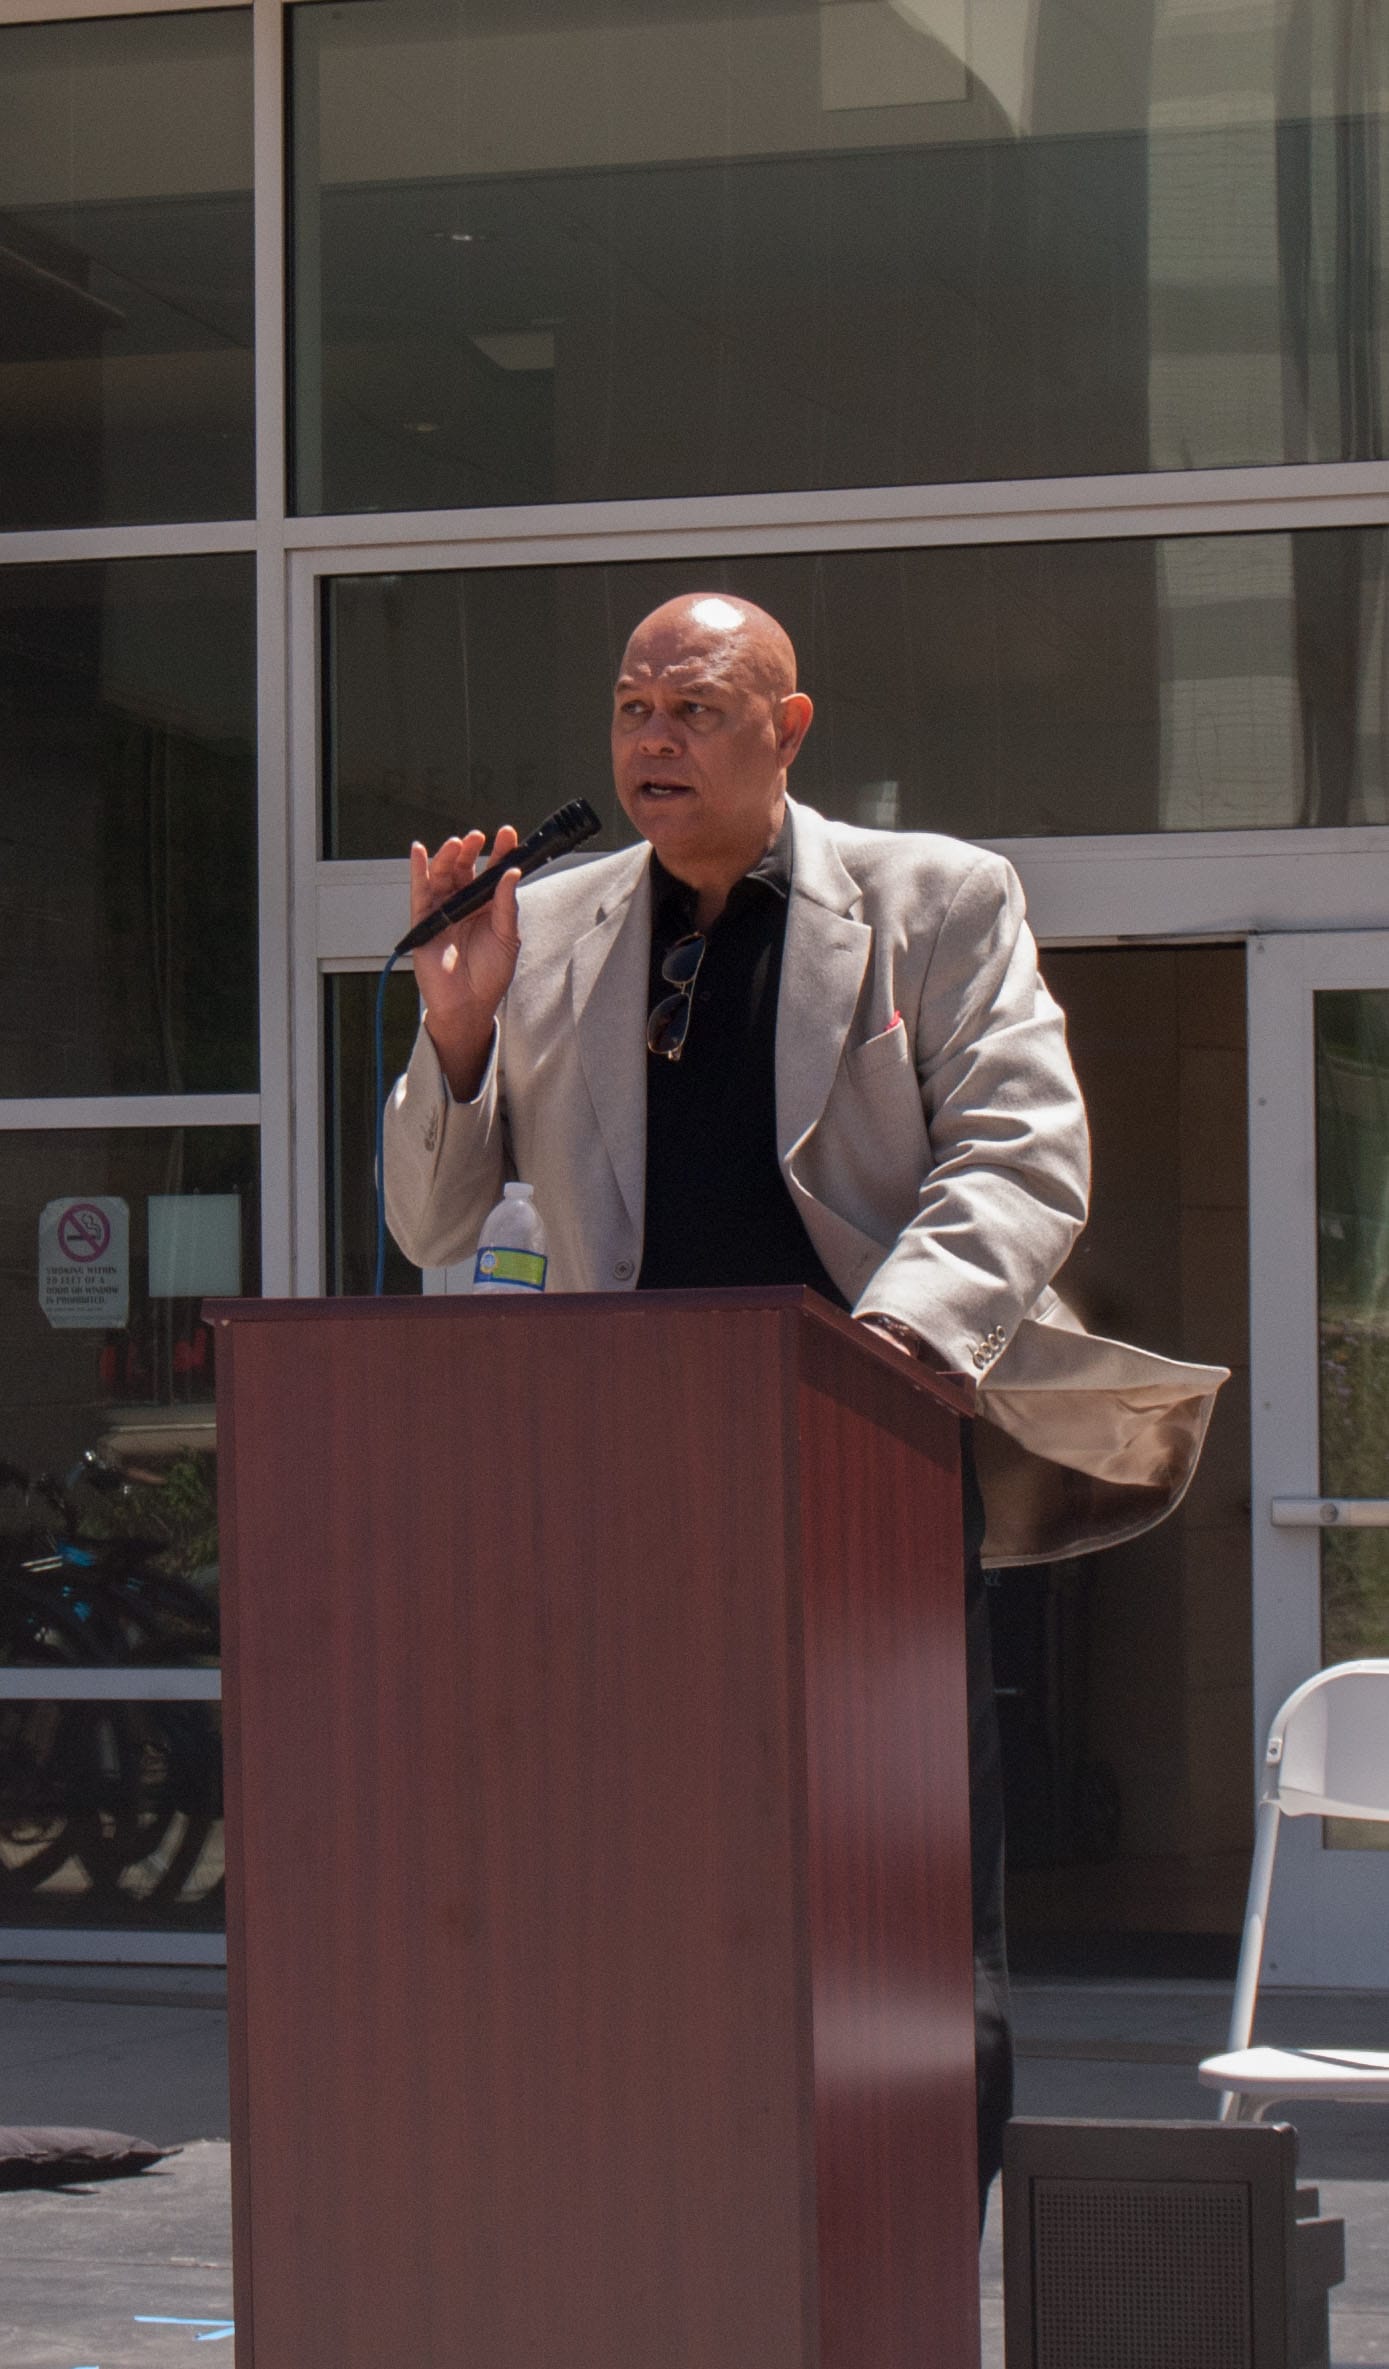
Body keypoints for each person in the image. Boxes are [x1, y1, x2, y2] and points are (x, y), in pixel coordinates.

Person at [384, 592, 1225, 2216]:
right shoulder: (546, 925)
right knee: (648, 1891)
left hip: (863, 1462)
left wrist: (883, 1349)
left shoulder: (935, 899)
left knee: (898, 1912)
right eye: (630, 708)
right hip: (631, 1490)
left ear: (788, 727)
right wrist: (460, 1023)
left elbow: (1020, 1156)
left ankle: (908, 2248)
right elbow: (430, 1223)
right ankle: (672, 2232)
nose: (651, 739)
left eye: (693, 707)